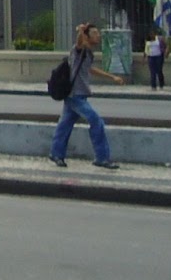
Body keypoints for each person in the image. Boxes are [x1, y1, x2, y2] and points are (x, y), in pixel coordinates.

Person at [49, 22, 125, 170]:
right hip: (75, 95)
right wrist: (81, 32)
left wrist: (112, 77)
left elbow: (90, 69)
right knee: (96, 121)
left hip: (78, 94)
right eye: (95, 33)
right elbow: (78, 43)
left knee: (65, 125)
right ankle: (102, 158)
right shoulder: (79, 50)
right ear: (87, 37)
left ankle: (56, 153)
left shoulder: (88, 53)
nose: (98, 36)